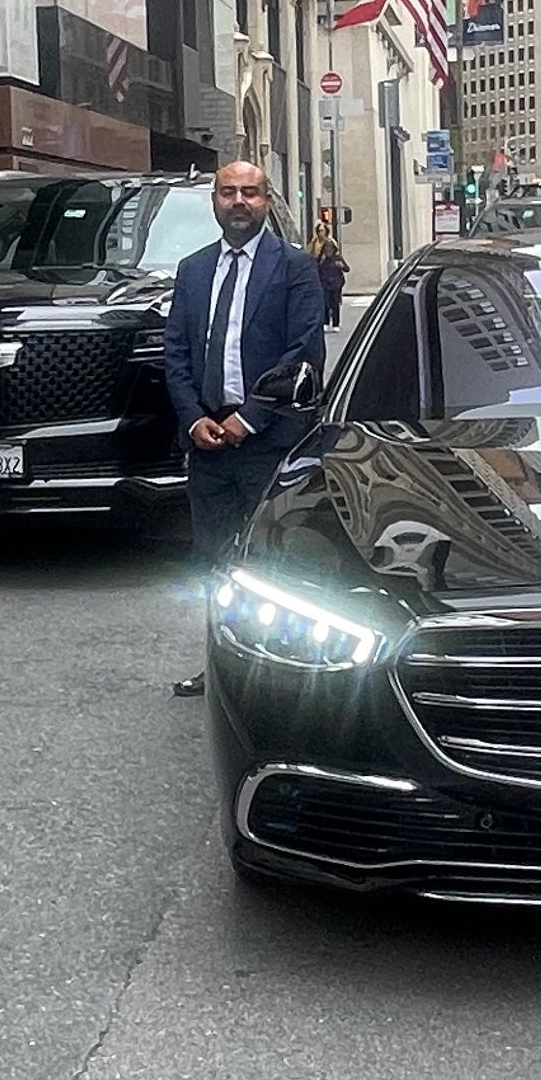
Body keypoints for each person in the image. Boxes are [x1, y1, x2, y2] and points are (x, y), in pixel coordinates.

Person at [162, 161, 326, 697]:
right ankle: (223, 671)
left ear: (267, 200)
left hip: (269, 444)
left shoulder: (295, 268)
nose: (238, 202)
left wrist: (247, 419)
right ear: (214, 200)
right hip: (207, 446)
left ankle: (277, 675)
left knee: (271, 561)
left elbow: (303, 354)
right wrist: (194, 420)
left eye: (249, 193)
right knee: (212, 560)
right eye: (228, 192)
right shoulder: (192, 270)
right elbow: (177, 355)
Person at [314, 236, 349, 328]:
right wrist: (321, 261)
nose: (328, 250)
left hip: (335, 285)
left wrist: (341, 265)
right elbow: (315, 268)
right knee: (325, 303)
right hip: (324, 284)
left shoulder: (337, 258)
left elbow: (347, 268)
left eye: (330, 248)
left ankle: (335, 323)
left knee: (335, 304)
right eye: (326, 248)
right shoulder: (321, 258)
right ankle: (325, 322)